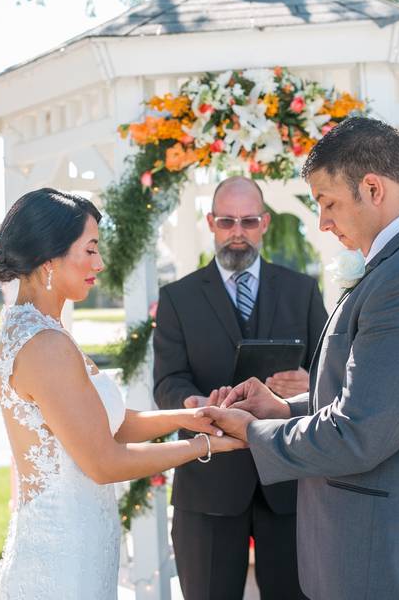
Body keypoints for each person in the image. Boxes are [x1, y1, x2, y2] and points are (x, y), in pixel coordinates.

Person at [202, 116, 399, 599]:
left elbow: (359, 434)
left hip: (397, 558)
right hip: (393, 547)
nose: (322, 221)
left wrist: (253, 432)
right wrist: (284, 409)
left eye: (327, 202)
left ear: (372, 187)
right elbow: (388, 404)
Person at [0, 187, 246, 600]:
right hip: (62, 556)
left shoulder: (35, 327)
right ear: (50, 257)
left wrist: (188, 417)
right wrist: (205, 446)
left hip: (81, 539)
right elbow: (104, 462)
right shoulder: (45, 345)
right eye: (89, 250)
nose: (99, 263)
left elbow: (110, 424)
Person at [152, 176, 327, 599]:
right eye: (227, 221)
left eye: (248, 221)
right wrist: (193, 403)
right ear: (211, 222)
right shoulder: (178, 297)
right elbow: (166, 382)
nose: (237, 232)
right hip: (207, 479)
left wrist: (310, 383)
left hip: (289, 481)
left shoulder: (301, 291)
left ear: (264, 223)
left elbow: (331, 373)